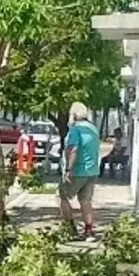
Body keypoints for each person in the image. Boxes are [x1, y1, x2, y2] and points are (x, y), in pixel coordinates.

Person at [61, 102, 101, 240]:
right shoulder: (93, 129)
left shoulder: (75, 130)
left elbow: (73, 149)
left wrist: (68, 169)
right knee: (85, 201)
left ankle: (69, 228)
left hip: (78, 171)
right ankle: (89, 231)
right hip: (92, 171)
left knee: (61, 196)